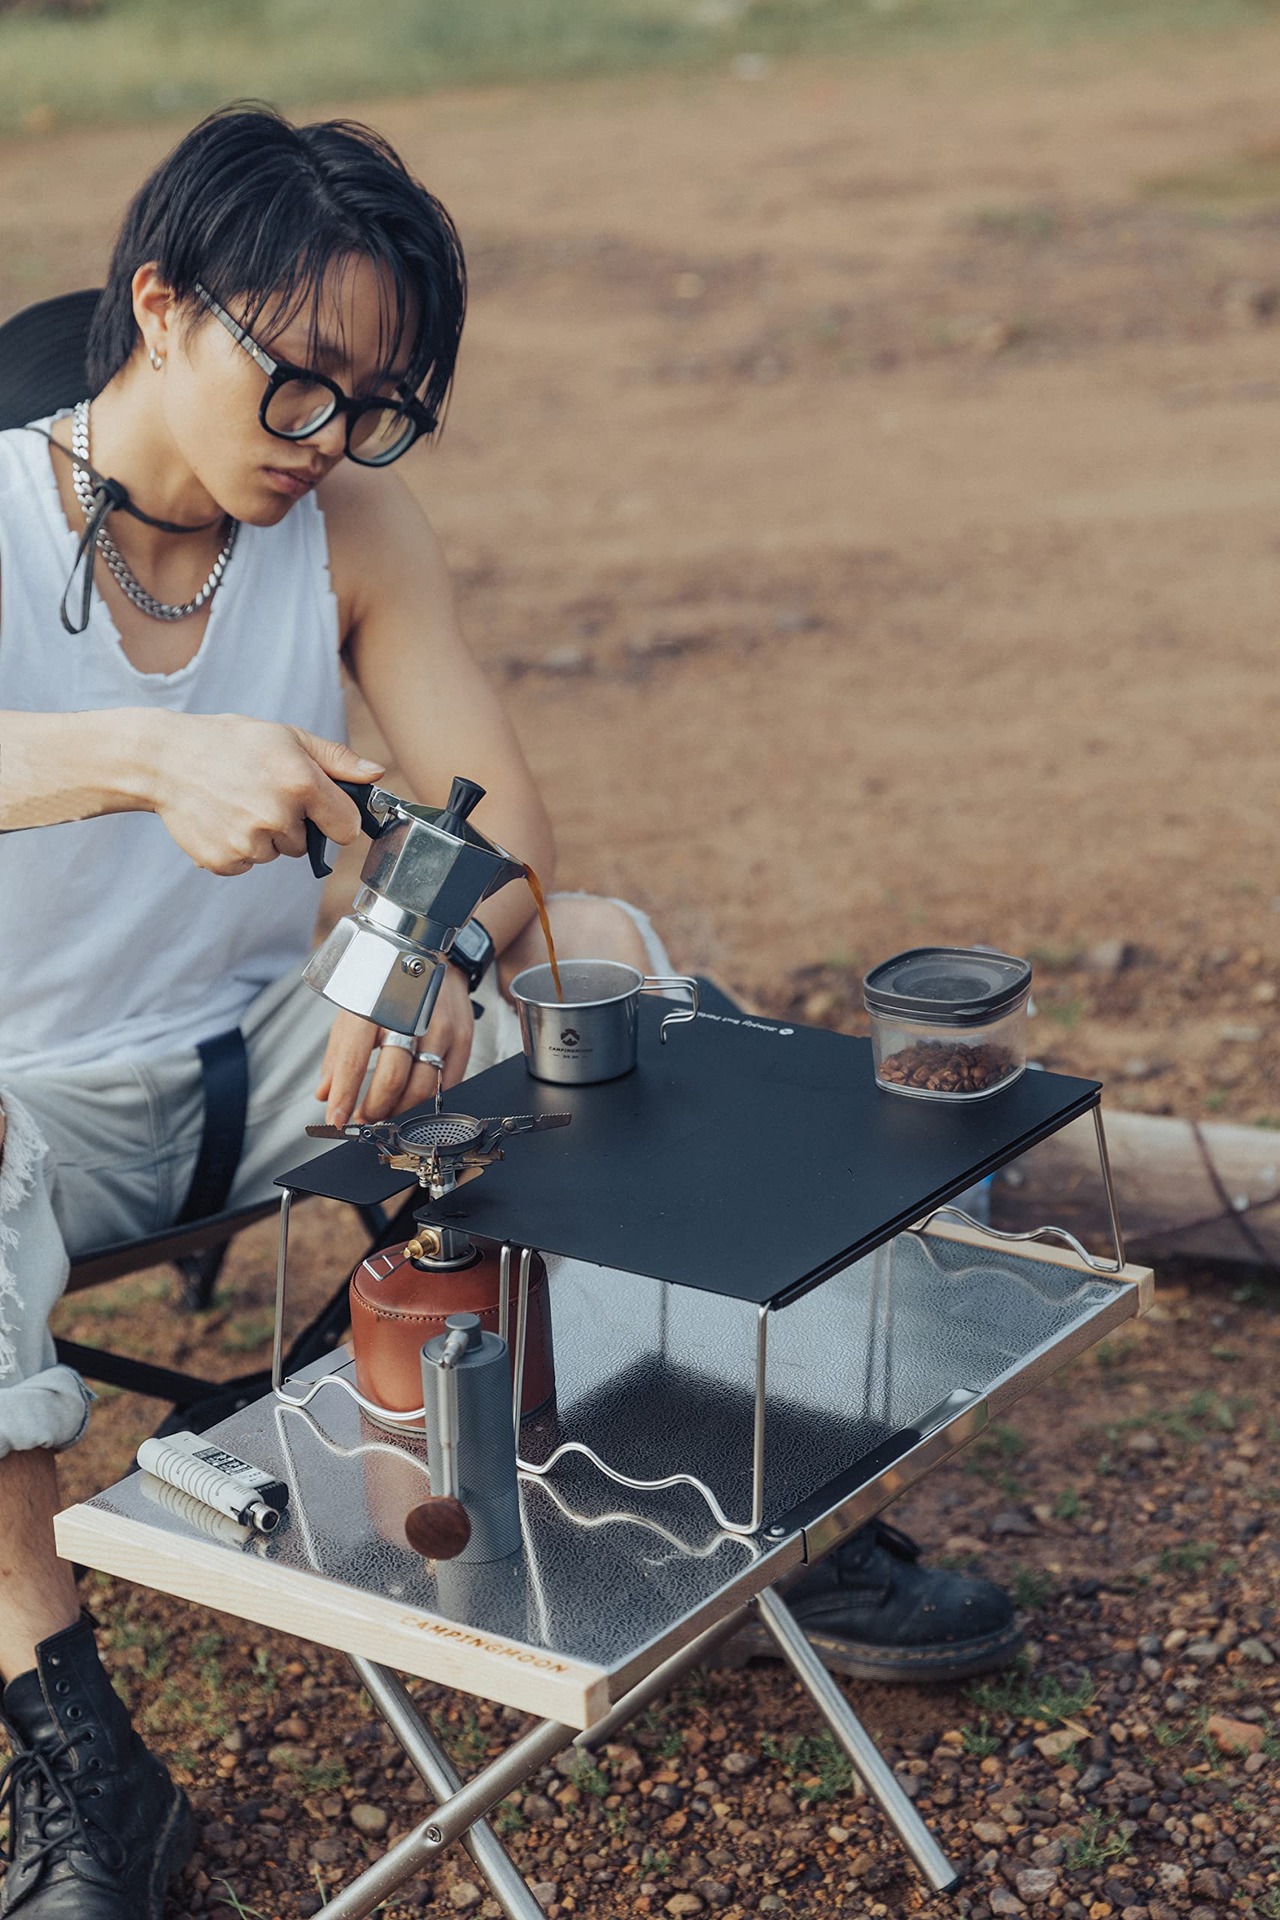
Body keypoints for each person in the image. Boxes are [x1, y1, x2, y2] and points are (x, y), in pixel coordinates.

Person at [0, 108, 1018, 1919]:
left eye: (374, 403)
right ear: (159, 305)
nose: (328, 438)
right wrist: (147, 755)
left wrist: (432, 960)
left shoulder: (348, 526)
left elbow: (505, 832)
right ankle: (74, 1754)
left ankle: (723, 1494)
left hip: (282, 1060)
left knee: (598, 954)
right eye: (297, 381)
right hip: (31, 1116)